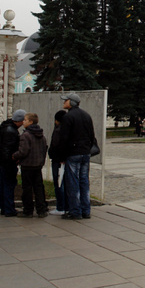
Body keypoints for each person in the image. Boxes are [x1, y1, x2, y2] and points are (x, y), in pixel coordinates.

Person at [57, 92, 97, 220]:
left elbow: (64, 138)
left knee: (72, 182)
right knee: (84, 181)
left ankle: (75, 211)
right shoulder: (86, 115)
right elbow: (92, 135)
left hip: (73, 153)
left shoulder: (68, 117)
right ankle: (86, 210)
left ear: (71, 102)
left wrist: (61, 156)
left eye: (66, 100)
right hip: (85, 152)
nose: (64, 102)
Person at [13, 112, 49, 217]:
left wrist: (15, 156)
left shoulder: (26, 135)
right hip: (38, 165)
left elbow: (23, 151)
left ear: (30, 122)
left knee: (27, 188)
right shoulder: (41, 135)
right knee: (38, 187)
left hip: (27, 165)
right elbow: (44, 149)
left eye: (25, 120)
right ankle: (41, 209)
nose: (23, 122)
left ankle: (28, 210)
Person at [0, 109, 25, 217]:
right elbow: (8, 148)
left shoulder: (6, 127)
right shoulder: (11, 131)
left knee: (3, 184)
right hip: (8, 162)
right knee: (9, 185)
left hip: (2, 161)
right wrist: (13, 159)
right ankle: (9, 209)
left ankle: (4, 207)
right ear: (20, 120)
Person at [49, 110, 66, 215]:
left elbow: (55, 145)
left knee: (58, 183)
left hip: (58, 160)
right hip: (63, 160)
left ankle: (60, 206)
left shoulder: (58, 130)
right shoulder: (67, 129)